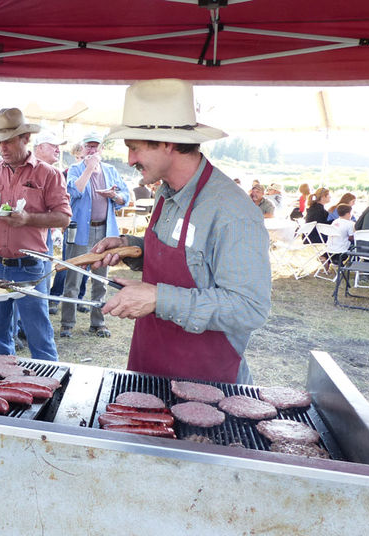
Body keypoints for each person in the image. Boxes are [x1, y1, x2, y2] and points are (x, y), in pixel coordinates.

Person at [91, 78, 271, 384]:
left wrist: (160, 299)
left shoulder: (232, 212)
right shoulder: (168, 190)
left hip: (207, 382)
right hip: (150, 364)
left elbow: (250, 308)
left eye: (135, 148)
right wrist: (129, 248)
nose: (130, 159)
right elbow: (186, 256)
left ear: (167, 143)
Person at [0, 108, 72, 360]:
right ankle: (5, 379)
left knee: (38, 335)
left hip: (30, 266)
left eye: (8, 141)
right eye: (0, 142)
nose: (3, 147)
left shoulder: (48, 174)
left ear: (25, 139)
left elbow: (64, 217)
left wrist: (29, 219)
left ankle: (49, 385)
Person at [60, 132, 130, 339]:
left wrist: (114, 196)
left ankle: (98, 323)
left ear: (101, 150)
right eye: (88, 147)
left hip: (105, 231)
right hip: (81, 231)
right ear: (82, 150)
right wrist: (89, 168)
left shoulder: (110, 170)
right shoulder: (75, 169)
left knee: (101, 280)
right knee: (73, 279)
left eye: (95, 147)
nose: (92, 150)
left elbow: (125, 196)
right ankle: (67, 323)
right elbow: (74, 192)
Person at [49, 141, 88, 314]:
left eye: (83, 157)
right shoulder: (68, 172)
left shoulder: (98, 172)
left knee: (85, 266)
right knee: (67, 265)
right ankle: (55, 296)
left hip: (88, 226)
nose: (81, 159)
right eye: (79, 157)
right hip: (72, 224)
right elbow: (72, 194)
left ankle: (78, 298)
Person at [33, 130, 67, 315]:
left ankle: (30, 326)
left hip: (45, 236)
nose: (58, 149)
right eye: (53, 145)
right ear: (40, 147)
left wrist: (55, 229)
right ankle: (21, 327)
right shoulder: (28, 170)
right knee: (31, 282)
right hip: (29, 236)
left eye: (59, 146)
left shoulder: (55, 173)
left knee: (43, 281)